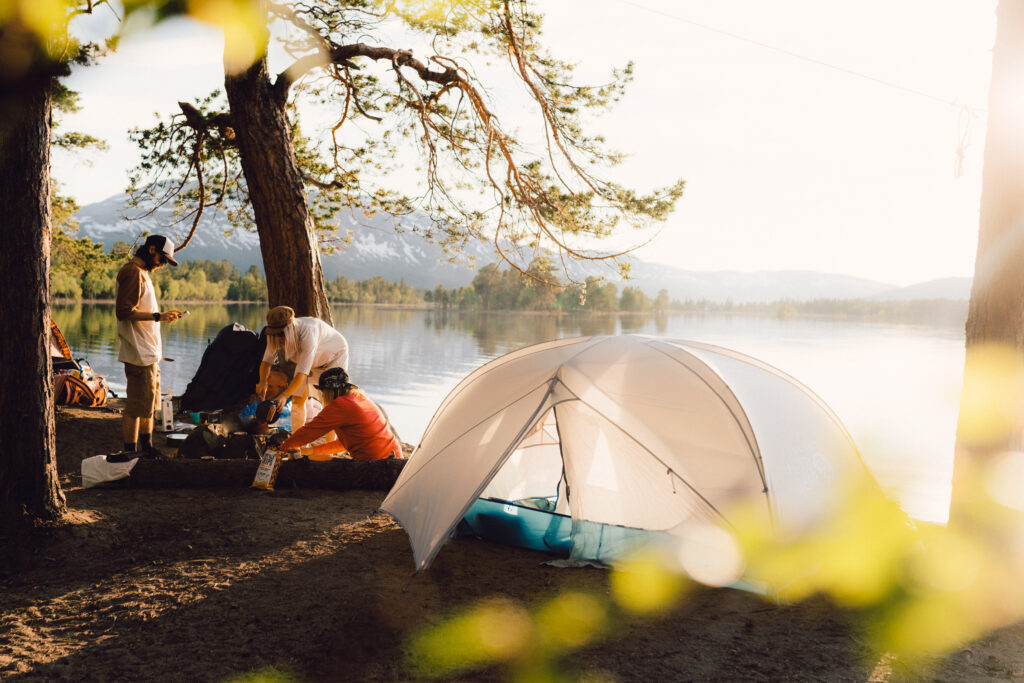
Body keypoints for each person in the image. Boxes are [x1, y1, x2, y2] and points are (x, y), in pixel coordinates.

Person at [115, 234, 185, 456]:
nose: (164, 264)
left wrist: (161, 317)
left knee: (149, 404)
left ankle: (147, 447)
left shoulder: (143, 273)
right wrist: (158, 316)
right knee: (136, 406)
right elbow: (124, 311)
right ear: (152, 249)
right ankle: (130, 452)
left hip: (149, 353)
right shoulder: (132, 272)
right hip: (138, 354)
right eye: (163, 258)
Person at [256, 305, 348, 431]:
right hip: (310, 362)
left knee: (329, 403)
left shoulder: (308, 332)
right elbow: (266, 362)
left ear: (290, 328)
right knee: (297, 401)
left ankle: (330, 447)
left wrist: (284, 395)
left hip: (333, 358)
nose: (279, 338)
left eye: (281, 335)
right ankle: (295, 444)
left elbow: (301, 374)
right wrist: (262, 382)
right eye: (275, 335)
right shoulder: (274, 336)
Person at [279, 367, 402, 461]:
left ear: (329, 391)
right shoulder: (359, 398)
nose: (321, 395)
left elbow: (309, 432)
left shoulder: (340, 405)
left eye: (322, 391)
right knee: (320, 458)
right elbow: (345, 444)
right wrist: (308, 450)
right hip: (394, 457)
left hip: (376, 465)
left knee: (319, 464)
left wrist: (283, 448)